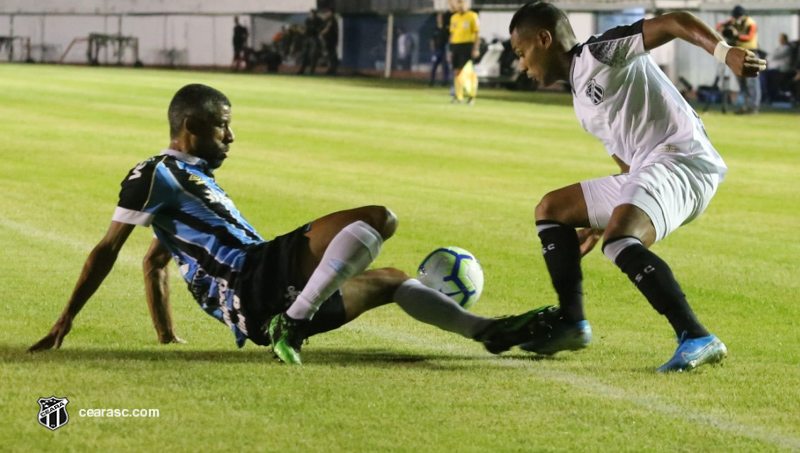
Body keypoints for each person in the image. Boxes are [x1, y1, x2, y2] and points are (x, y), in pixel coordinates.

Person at [28, 84, 545, 365]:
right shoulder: (156, 172)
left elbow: (156, 258)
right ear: (190, 127)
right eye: (222, 125)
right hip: (252, 279)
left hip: (261, 293)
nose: (232, 136)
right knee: (378, 219)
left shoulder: (189, 183)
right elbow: (108, 249)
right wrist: (64, 320)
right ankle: (294, 323)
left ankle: (488, 334)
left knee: (390, 279)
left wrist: (166, 335)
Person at [507, 2, 766, 372]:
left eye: (522, 53)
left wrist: (725, 53)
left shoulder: (601, 52)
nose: (522, 65)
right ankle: (571, 322)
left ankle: (696, 336)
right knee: (551, 209)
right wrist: (605, 218)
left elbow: (676, 22)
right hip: (650, 168)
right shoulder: (581, 98)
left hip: (683, 161)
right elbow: (626, 161)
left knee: (619, 242)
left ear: (544, 39)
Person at [716, 6, 761, 114]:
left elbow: (749, 37)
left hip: (751, 53)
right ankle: (745, 106)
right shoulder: (734, 21)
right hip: (739, 53)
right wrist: (728, 24)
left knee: (751, 81)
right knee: (742, 81)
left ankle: (753, 106)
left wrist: (736, 36)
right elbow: (718, 26)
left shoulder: (751, 23)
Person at [448, 0, 480, 104]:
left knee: (468, 71)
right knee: (457, 71)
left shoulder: (472, 16)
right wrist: (450, 50)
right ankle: (459, 97)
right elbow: (452, 35)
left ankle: (472, 96)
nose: (460, 4)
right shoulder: (454, 17)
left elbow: (477, 33)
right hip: (456, 46)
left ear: (466, 3)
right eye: (458, 2)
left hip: (467, 46)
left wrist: (476, 48)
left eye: (462, 2)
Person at [429, 12, 451, 86]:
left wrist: (449, 51)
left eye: (441, 17)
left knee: (445, 67)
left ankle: (444, 82)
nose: (439, 19)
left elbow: (449, 39)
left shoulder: (446, 29)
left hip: (444, 51)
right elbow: (432, 40)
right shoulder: (435, 28)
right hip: (436, 51)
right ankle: (431, 81)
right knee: (433, 66)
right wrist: (433, 49)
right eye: (438, 17)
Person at [298, 9, 321, 75]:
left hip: (314, 38)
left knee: (313, 55)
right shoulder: (307, 20)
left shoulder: (318, 20)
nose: (310, 15)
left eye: (311, 13)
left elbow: (318, 29)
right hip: (307, 38)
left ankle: (312, 70)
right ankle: (302, 69)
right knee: (305, 54)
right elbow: (305, 29)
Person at [320, 8, 339, 75]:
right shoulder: (327, 20)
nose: (325, 14)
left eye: (326, 12)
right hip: (328, 40)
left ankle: (332, 70)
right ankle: (331, 69)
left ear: (330, 12)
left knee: (332, 55)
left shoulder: (332, 20)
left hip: (331, 40)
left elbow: (327, 28)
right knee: (330, 55)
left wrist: (321, 33)